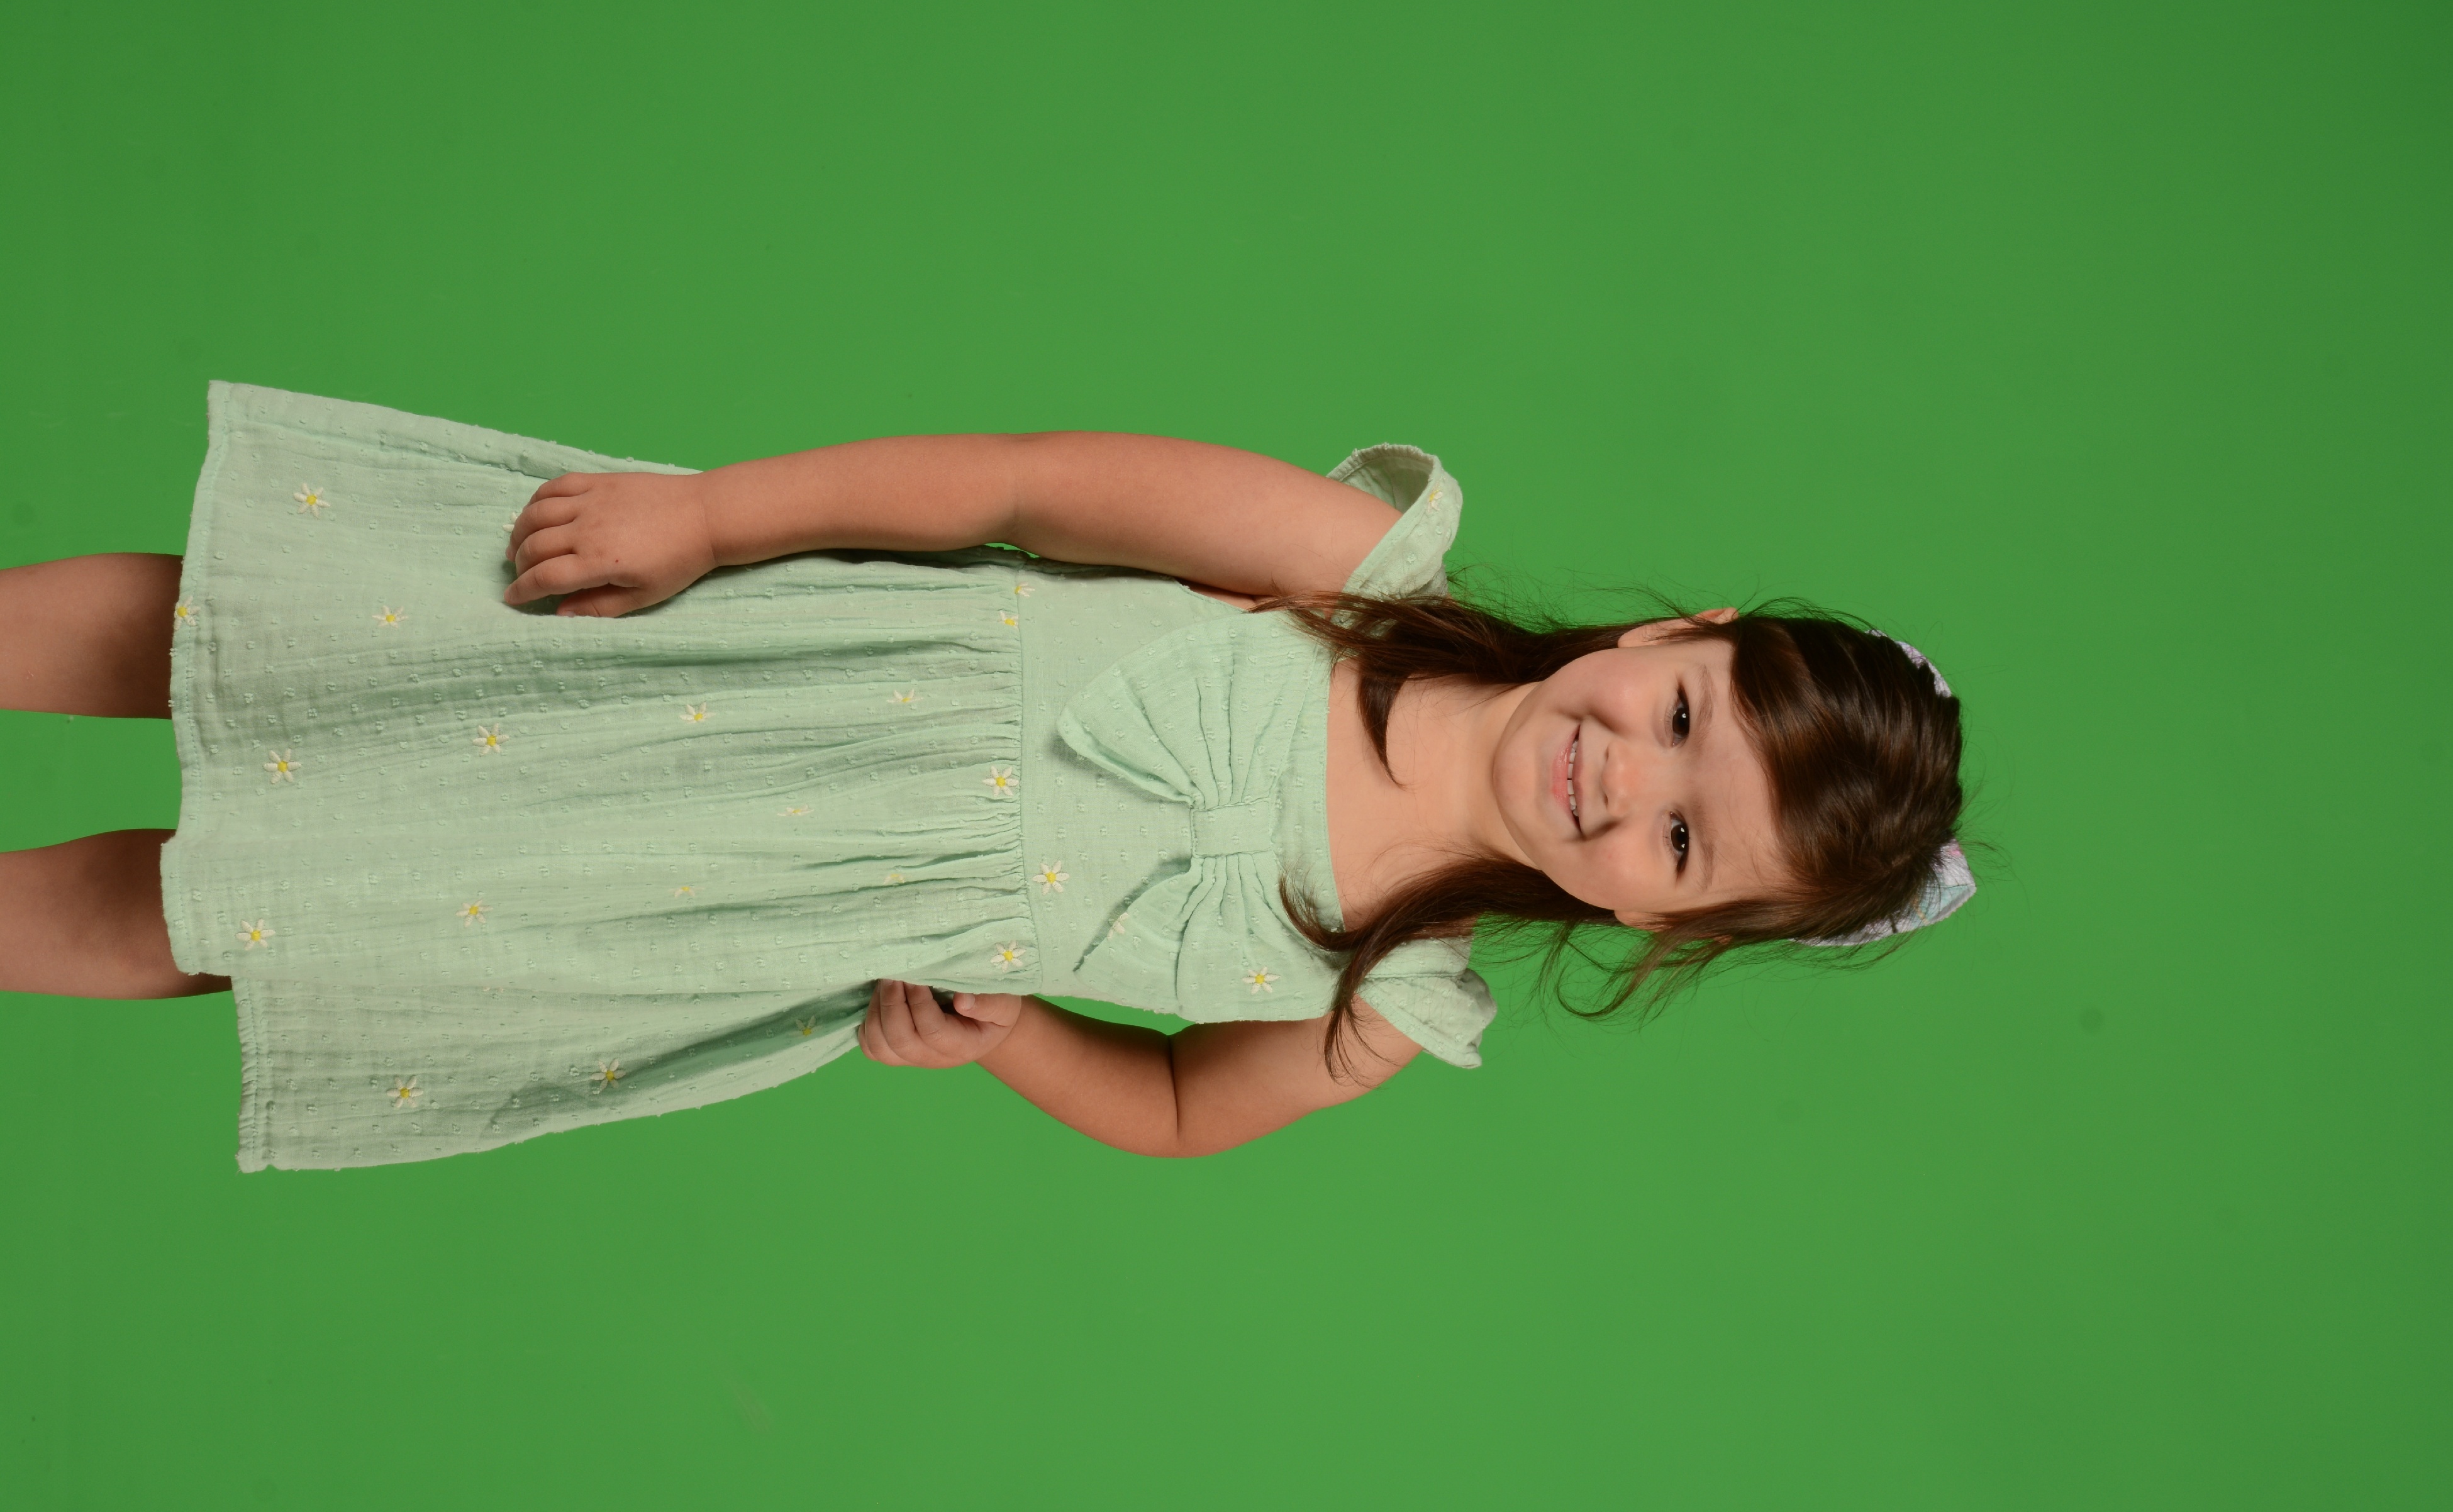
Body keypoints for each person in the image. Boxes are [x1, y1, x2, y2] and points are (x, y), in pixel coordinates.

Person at [0, 383, 1971, 1172]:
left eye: (1682, 842)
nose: (1623, 782)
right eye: (1682, 715)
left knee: (266, 919)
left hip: (715, 905)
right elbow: (1022, 484)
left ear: (1659, 917)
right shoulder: (1350, 574)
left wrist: (1005, 1038)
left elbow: (1182, 1111)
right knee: (268, 628)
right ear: (1676, 634)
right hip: (735, 657)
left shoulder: (1391, 1000)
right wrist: (712, 516)